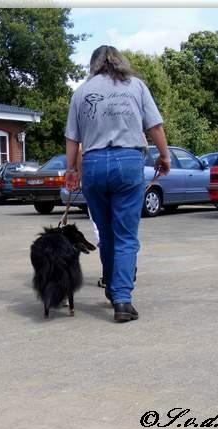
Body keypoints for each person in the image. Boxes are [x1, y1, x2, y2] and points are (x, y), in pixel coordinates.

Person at [64, 45, 171, 323]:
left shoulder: (81, 92)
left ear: (94, 65)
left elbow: (72, 138)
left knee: (107, 233)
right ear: (120, 61)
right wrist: (164, 156)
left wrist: (71, 170)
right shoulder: (136, 86)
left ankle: (113, 289)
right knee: (125, 235)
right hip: (127, 161)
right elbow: (155, 126)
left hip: (93, 164)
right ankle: (122, 299)